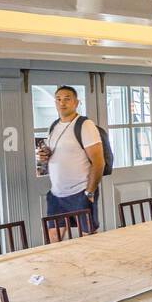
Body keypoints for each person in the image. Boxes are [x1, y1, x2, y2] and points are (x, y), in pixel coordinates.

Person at [37, 85, 105, 238]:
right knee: (53, 239)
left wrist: (90, 191)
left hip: (80, 192)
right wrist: (44, 155)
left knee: (88, 238)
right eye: (58, 99)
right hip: (56, 195)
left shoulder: (85, 125)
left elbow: (99, 162)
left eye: (67, 99)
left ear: (76, 102)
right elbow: (56, 154)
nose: (62, 103)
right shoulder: (54, 126)